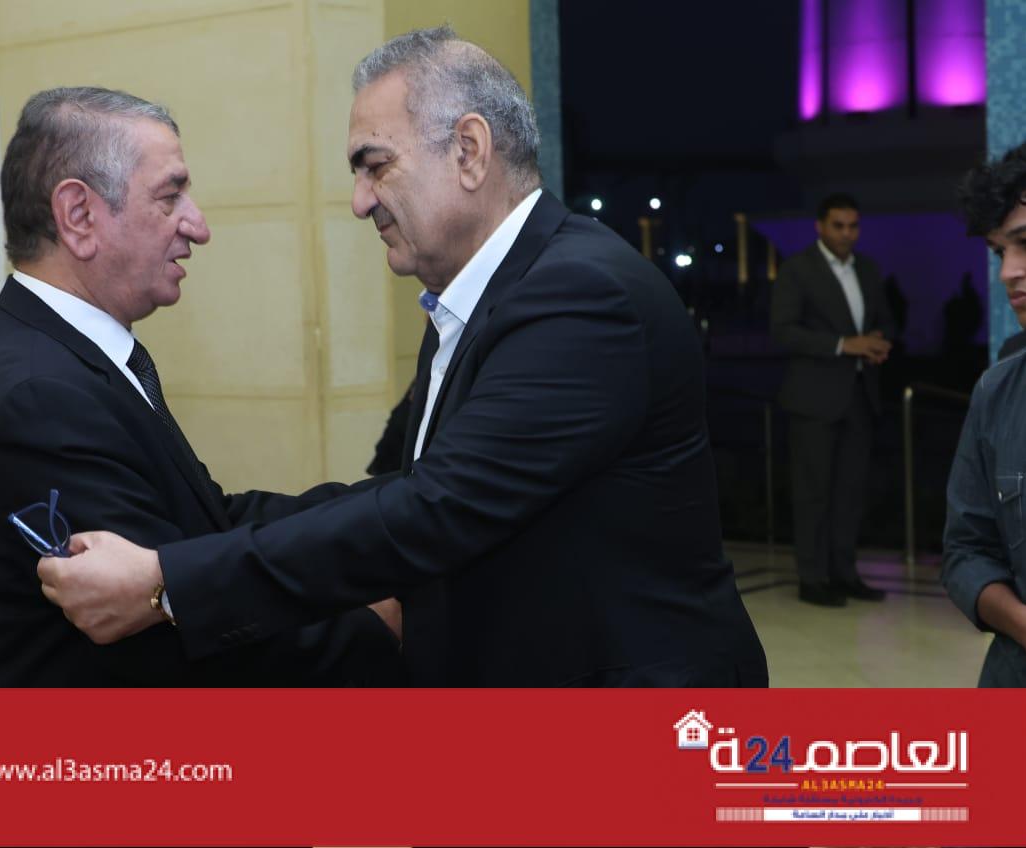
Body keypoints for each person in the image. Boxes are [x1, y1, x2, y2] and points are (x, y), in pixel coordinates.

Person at [39, 27, 769, 687]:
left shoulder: (580, 295)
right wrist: (213, 523)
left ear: (470, 151)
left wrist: (169, 583)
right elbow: (416, 489)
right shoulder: (482, 294)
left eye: (375, 166)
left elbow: (435, 510)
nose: (360, 201)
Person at [0, 87, 402, 686]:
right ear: (79, 216)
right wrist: (381, 626)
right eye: (170, 195)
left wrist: (410, 503)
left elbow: (210, 523)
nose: (197, 226)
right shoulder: (37, 395)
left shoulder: (66, 358)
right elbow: (168, 639)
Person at [770, 194, 894, 607]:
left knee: (850, 493)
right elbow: (783, 331)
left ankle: (844, 573)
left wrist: (877, 340)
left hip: (860, 395)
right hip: (813, 398)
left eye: (853, 226)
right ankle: (812, 578)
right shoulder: (798, 269)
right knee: (813, 493)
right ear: (820, 227)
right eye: (838, 225)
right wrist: (844, 344)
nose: (846, 234)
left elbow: (886, 319)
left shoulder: (868, 269)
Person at [943, 140, 1026, 687]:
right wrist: (1021, 623)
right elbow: (966, 551)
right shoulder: (998, 391)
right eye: (1001, 252)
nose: (1008, 273)